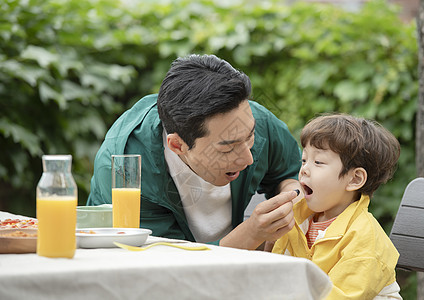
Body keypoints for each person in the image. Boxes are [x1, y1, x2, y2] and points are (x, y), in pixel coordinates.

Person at [87, 54, 301, 249]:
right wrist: (252, 234)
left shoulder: (252, 121)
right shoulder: (124, 170)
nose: (248, 158)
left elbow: (291, 172)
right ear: (177, 145)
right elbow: (165, 266)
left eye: (250, 137)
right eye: (227, 148)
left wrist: (292, 196)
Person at [271, 113, 402, 299]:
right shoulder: (297, 219)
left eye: (318, 162)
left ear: (355, 179)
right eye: (304, 160)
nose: (304, 169)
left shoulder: (365, 240)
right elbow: (275, 275)